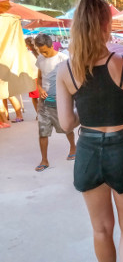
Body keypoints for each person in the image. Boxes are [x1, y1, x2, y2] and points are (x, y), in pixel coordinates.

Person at [56, 0, 123, 261]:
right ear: (107, 25)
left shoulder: (66, 70)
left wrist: (85, 109)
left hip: (87, 151)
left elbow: (66, 123)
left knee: (101, 230)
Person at [34, 33, 76, 171]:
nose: (43, 54)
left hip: (60, 103)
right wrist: (39, 89)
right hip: (44, 102)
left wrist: (66, 94)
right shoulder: (40, 59)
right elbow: (39, 78)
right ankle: (44, 160)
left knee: (66, 128)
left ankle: (73, 147)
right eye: (41, 52)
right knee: (42, 132)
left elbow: (71, 80)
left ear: (52, 46)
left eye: (45, 51)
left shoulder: (63, 59)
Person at [26, 37, 41, 113]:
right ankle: (43, 114)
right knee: (42, 97)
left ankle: (38, 114)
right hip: (41, 77)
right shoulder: (40, 52)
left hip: (32, 77)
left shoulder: (27, 54)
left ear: (27, 45)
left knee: (34, 98)